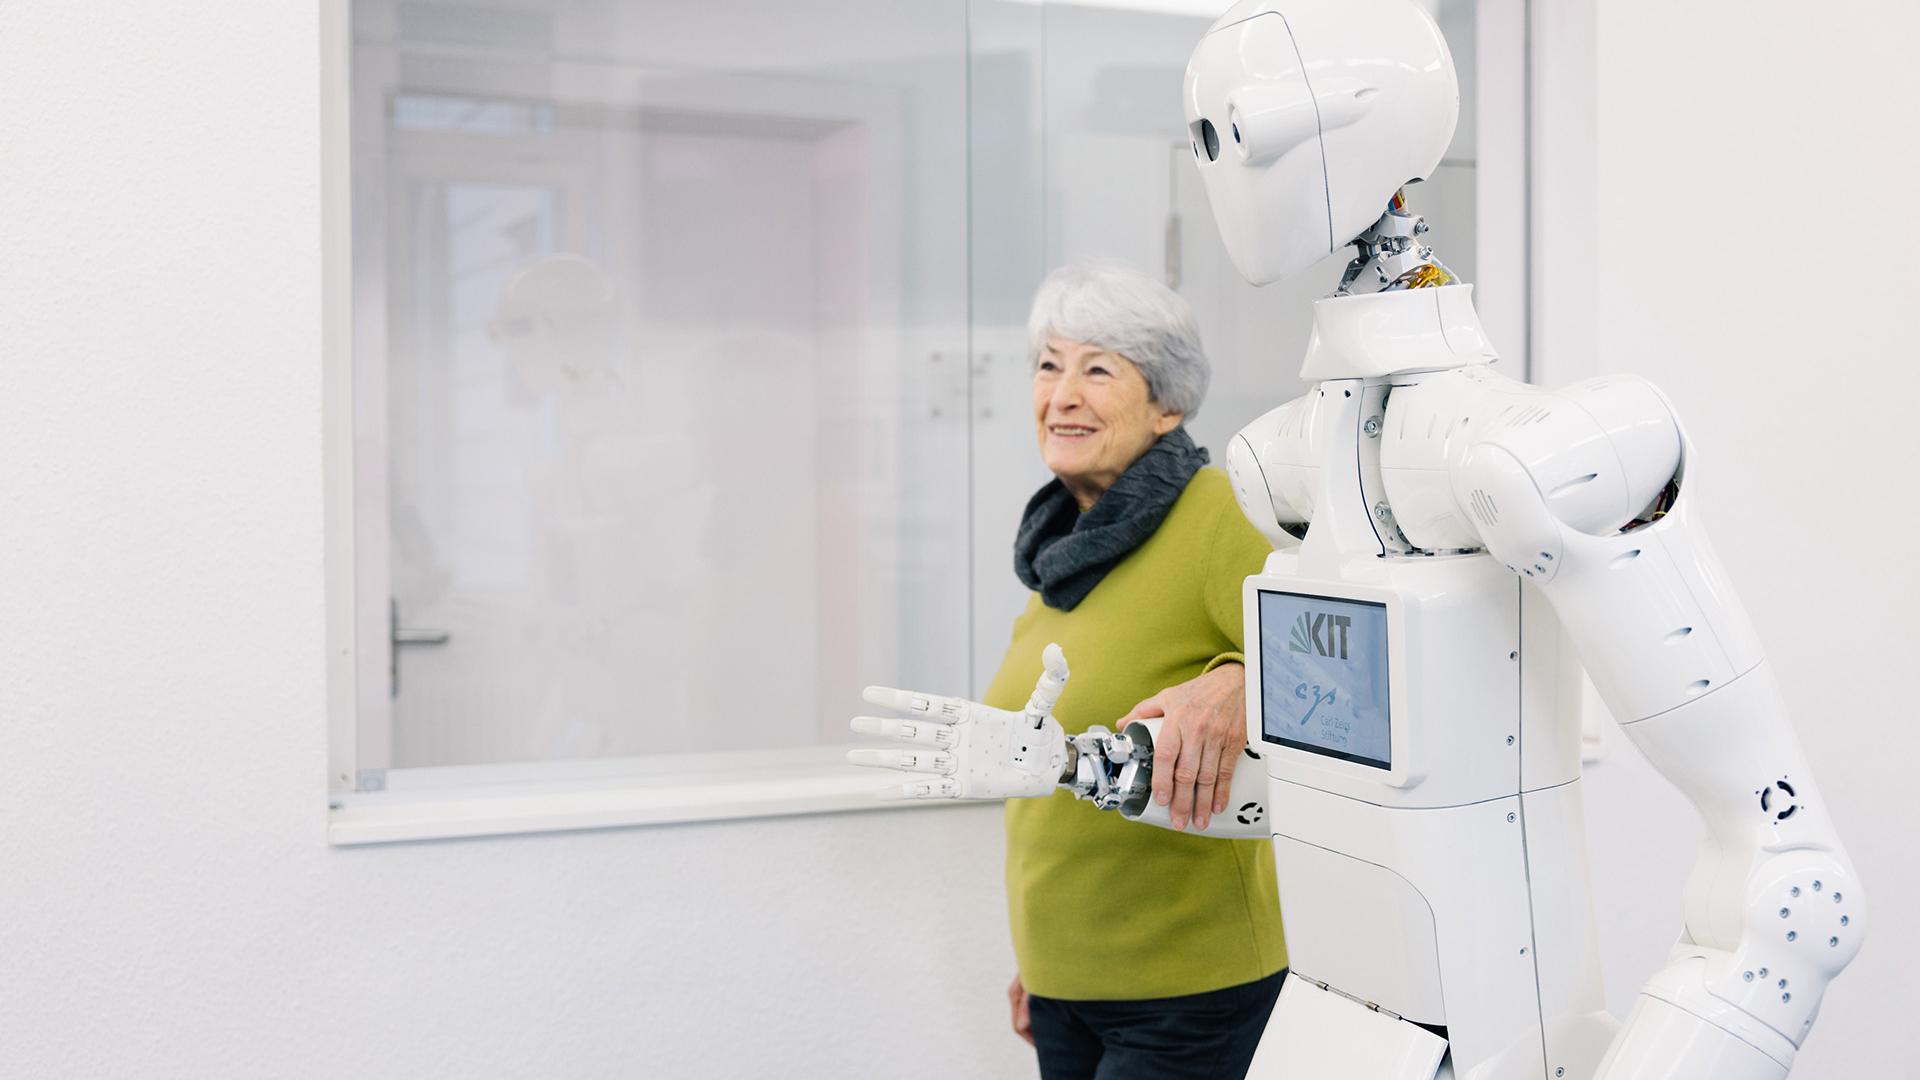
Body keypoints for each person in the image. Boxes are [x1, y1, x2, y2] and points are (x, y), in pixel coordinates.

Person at [984, 262, 1287, 1080]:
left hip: (1191, 990)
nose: (1063, 393)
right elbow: (1049, 792)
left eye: (1098, 369)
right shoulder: (1058, 557)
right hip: (1066, 985)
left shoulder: (1216, 512)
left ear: (1168, 405)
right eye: (1049, 365)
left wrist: (1239, 678)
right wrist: (1041, 967)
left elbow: (1329, 652)